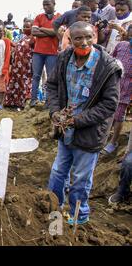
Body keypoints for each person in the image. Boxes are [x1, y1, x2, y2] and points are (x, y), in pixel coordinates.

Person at [47, 21, 122, 225]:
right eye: (78, 38)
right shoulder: (64, 58)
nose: (84, 42)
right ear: (70, 41)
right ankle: (53, 209)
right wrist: (54, 111)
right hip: (65, 132)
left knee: (80, 178)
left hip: (89, 133)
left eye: (88, 37)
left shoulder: (108, 66)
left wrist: (77, 121)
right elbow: (52, 85)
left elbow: (109, 105)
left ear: (95, 37)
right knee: (57, 172)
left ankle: (78, 216)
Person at [103, 25, 132, 154]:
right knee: (106, 112)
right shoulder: (121, 45)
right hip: (112, 84)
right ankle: (103, 137)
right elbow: (110, 59)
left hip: (127, 89)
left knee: (119, 115)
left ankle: (113, 142)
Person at [30, 0, 61, 107]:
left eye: (48, 4)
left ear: (54, 4)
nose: (45, 7)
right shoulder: (39, 17)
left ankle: (49, 102)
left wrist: (42, 29)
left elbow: (57, 33)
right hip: (38, 52)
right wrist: (51, 32)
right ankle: (33, 100)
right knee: (36, 76)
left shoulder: (59, 17)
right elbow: (34, 32)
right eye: (44, 4)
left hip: (52, 53)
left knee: (50, 78)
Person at [4, 19, 35, 110]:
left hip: (26, 67)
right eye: (24, 26)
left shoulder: (34, 39)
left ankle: (21, 103)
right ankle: (12, 102)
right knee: (15, 83)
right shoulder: (22, 37)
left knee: (23, 84)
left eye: (27, 26)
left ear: (32, 27)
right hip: (17, 67)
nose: (25, 28)